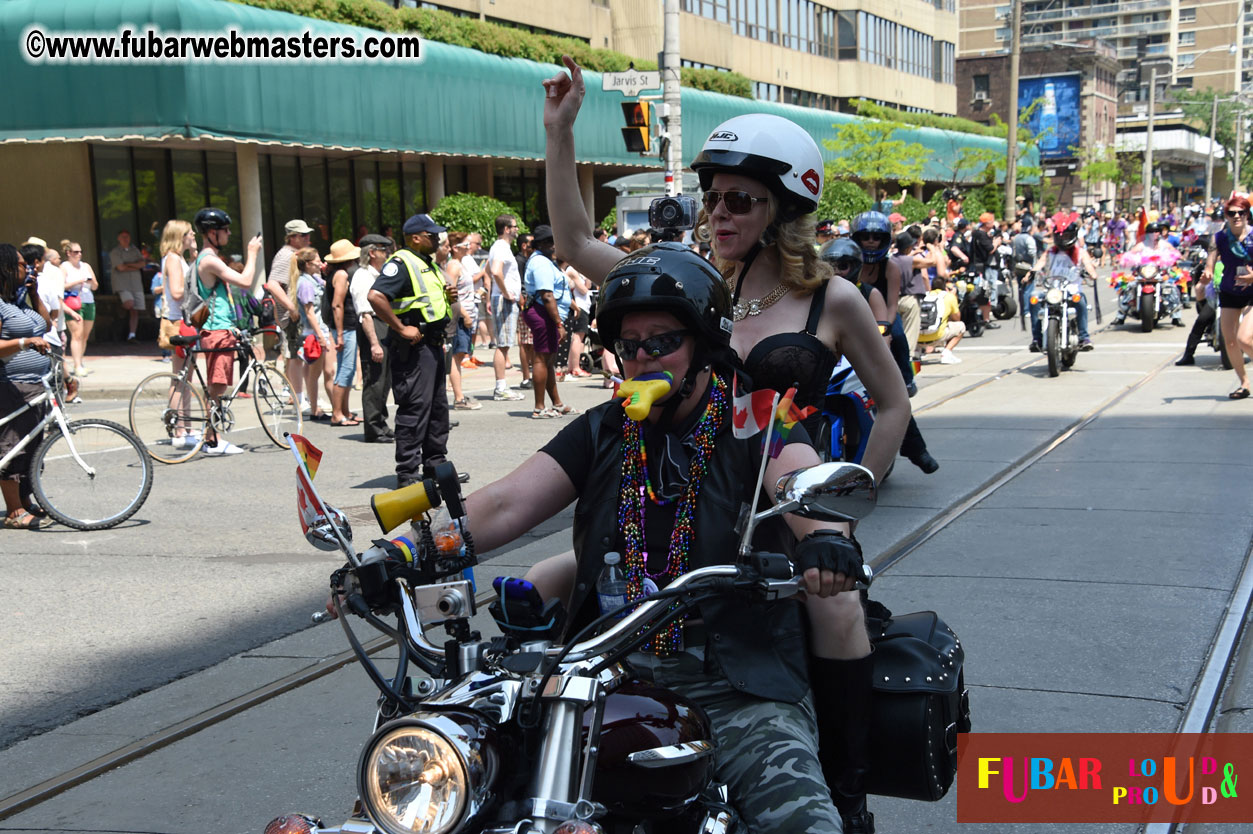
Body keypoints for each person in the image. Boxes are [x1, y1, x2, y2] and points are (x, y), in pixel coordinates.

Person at [542, 57, 909, 833]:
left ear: (783, 208)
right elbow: (575, 241)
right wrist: (560, 131)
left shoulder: (829, 297)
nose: (718, 213)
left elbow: (892, 403)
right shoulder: (689, 281)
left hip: (780, 515)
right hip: (673, 504)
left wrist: (841, 511)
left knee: (838, 610)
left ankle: (843, 787)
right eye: (712, 199)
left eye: (739, 200)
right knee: (544, 576)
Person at [465, 244, 860, 833]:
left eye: (661, 342)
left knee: (806, 825)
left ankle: (849, 797)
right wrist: (410, 548)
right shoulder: (602, 429)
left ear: (702, 346)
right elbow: (504, 503)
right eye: (629, 345)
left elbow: (799, 478)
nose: (643, 358)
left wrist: (825, 539)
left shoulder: (754, 415)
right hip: (601, 677)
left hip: (735, 685)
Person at [367, 214, 457, 488]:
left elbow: (419, 300)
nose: (437, 240)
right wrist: (399, 327)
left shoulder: (425, 263)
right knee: (414, 410)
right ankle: (407, 474)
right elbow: (375, 296)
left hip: (431, 344)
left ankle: (435, 468)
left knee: (438, 411)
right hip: (414, 347)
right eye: (432, 235)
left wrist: (446, 297)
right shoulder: (402, 262)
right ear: (416, 237)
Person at [191, 208, 263, 456]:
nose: (229, 233)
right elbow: (244, 281)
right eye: (225, 230)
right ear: (212, 233)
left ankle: (212, 435)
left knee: (217, 385)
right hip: (216, 328)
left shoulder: (209, 257)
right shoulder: (208, 259)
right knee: (217, 386)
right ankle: (212, 439)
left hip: (220, 327)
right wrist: (252, 254)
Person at [0, 243, 52, 529]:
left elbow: (44, 325)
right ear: (6, 268)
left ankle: (25, 500)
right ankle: (13, 511)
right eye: (22, 264)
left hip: (35, 386)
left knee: (32, 447)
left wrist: (33, 294)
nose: (28, 268)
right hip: (9, 386)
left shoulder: (17, 302)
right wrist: (24, 342)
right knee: (12, 447)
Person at [1200, 193, 1253, 398]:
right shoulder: (1219, 238)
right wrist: (1207, 275)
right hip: (1230, 291)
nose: (1237, 216)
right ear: (1226, 216)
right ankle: (1244, 383)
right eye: (1232, 213)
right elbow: (1210, 265)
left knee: (1244, 339)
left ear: (1247, 215)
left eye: (1241, 212)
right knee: (1229, 341)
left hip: (1252, 293)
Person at [522, 225, 576, 418]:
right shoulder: (541, 263)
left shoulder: (546, 261)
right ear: (542, 244)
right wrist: (559, 324)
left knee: (549, 360)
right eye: (551, 242)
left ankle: (556, 403)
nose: (555, 246)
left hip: (547, 313)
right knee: (541, 359)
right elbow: (546, 295)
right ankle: (539, 407)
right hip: (542, 312)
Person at [265, 219, 313, 411]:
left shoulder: (294, 254)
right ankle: (299, 399)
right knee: (295, 357)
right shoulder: (285, 255)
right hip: (292, 316)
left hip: (298, 313)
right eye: (303, 235)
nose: (308, 238)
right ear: (292, 237)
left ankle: (305, 398)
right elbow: (272, 284)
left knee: (303, 356)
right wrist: (291, 308)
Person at [351, 235, 395, 442]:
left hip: (383, 325)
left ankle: (381, 422)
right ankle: (373, 427)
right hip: (372, 327)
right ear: (371, 253)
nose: (387, 254)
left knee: (385, 380)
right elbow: (365, 313)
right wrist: (374, 343)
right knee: (374, 380)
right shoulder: (362, 276)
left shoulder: (377, 274)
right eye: (383, 249)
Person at [1028, 220, 1095, 353]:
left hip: (1072, 290)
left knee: (1080, 301)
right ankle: (1037, 339)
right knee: (1034, 298)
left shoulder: (1080, 252)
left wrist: (1091, 273)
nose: (1063, 239)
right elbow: (1039, 264)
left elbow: (1088, 266)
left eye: (1066, 236)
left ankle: (1084, 337)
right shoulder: (1050, 252)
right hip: (1053, 291)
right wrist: (1030, 274)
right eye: (1061, 236)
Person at [1112, 222, 1184, 328]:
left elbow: (1175, 253)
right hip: (1143, 273)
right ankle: (1120, 316)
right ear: (1147, 233)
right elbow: (1130, 253)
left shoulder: (1164, 244)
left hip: (1160, 273)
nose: (1154, 234)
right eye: (1151, 231)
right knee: (1128, 287)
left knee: (1172, 288)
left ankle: (1176, 317)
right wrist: (1123, 258)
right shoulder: (1141, 245)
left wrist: (1178, 257)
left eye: (1156, 231)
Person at [487, 215, 526, 402]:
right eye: (514, 226)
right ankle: (500, 387)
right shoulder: (501, 247)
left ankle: (501, 386)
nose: (517, 229)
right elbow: (495, 271)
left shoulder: (500, 247)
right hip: (504, 300)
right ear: (506, 229)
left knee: (505, 343)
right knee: (503, 344)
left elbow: (488, 271)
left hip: (502, 298)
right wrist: (506, 292)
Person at [324, 239, 362, 427]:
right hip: (345, 327)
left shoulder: (337, 272)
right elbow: (337, 304)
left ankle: (345, 411)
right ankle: (337, 414)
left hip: (346, 326)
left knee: (348, 369)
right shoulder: (341, 274)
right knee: (345, 370)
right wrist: (339, 334)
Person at [60, 239, 98, 378]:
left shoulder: (86, 266)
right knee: (77, 334)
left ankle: (80, 362)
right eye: (76, 252)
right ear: (68, 253)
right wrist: (77, 282)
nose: (79, 254)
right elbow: (61, 286)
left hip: (88, 301)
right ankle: (76, 365)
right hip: (73, 302)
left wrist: (90, 281)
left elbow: (95, 286)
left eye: (81, 252)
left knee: (85, 335)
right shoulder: (64, 267)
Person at [107, 230, 146, 341]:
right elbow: (120, 268)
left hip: (136, 283)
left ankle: (132, 335)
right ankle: (120, 309)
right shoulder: (115, 252)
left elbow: (142, 264)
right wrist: (135, 265)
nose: (125, 239)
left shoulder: (135, 250)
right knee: (130, 304)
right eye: (123, 237)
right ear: (118, 239)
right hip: (122, 284)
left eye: (127, 237)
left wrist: (127, 264)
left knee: (135, 310)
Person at [917, 275, 965, 364]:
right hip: (937, 336)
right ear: (945, 287)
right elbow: (957, 318)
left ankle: (916, 354)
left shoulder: (924, 295)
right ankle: (946, 353)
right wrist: (954, 297)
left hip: (917, 338)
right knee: (961, 326)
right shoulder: (949, 297)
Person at [564, 255, 593, 377]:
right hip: (579, 306)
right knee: (578, 337)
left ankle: (575, 366)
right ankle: (575, 367)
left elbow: (588, 286)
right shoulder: (572, 270)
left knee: (581, 337)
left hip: (584, 307)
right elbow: (583, 290)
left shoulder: (579, 272)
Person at [515, 232, 536, 390]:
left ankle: (533, 374)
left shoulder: (529, 260)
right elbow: (519, 283)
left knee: (531, 342)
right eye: (531, 243)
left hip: (531, 302)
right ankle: (526, 377)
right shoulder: (520, 260)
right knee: (525, 342)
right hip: (525, 303)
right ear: (524, 246)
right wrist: (522, 298)